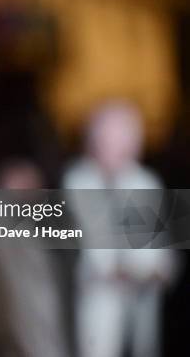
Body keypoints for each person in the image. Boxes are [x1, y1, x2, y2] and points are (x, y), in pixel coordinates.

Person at [63, 100, 177, 357]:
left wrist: (153, 269)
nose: (112, 147)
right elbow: (79, 256)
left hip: (140, 310)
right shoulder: (75, 182)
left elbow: (161, 255)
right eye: (105, 138)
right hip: (90, 314)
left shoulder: (146, 183)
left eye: (120, 139)